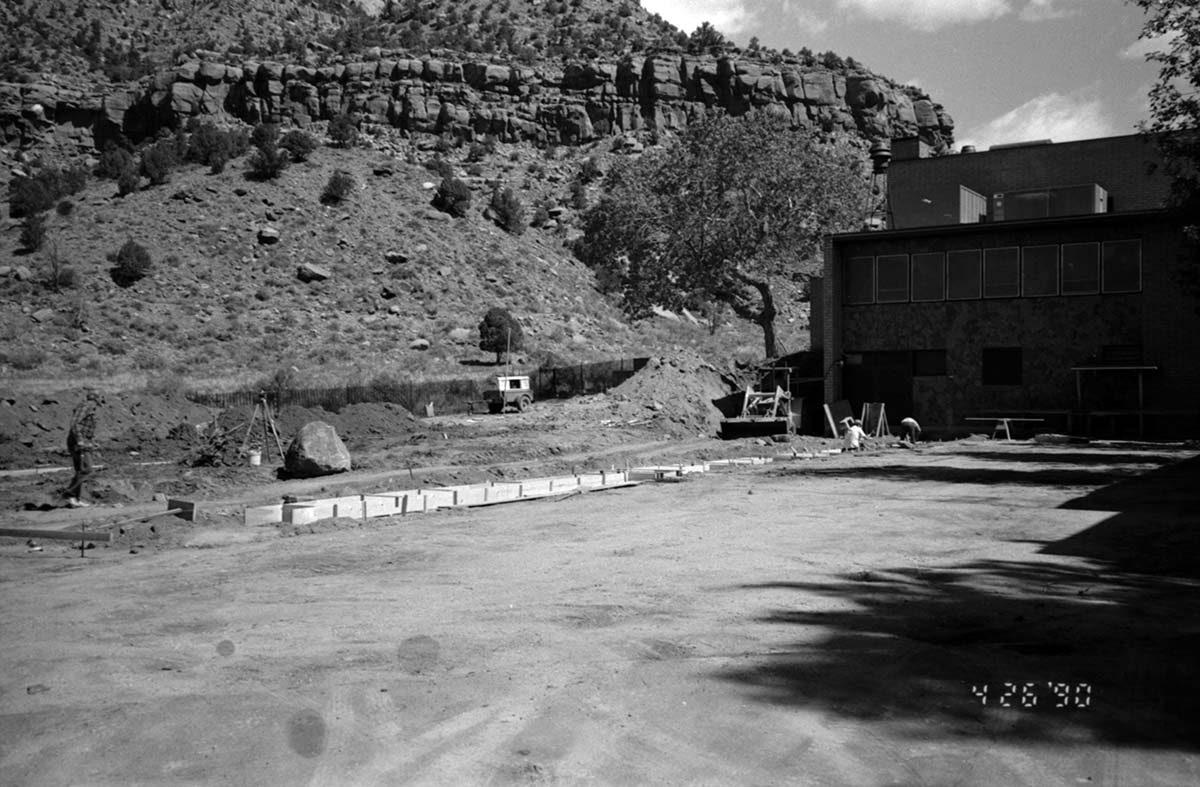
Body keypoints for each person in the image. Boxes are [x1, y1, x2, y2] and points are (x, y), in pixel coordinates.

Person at [65, 389, 103, 508]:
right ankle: (69, 493)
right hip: (77, 443)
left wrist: (92, 442)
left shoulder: (89, 409)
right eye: (97, 401)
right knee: (88, 469)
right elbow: (75, 424)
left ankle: (75, 499)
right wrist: (80, 440)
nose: (97, 404)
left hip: (83, 442)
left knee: (80, 471)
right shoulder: (85, 406)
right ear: (94, 399)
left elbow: (86, 428)